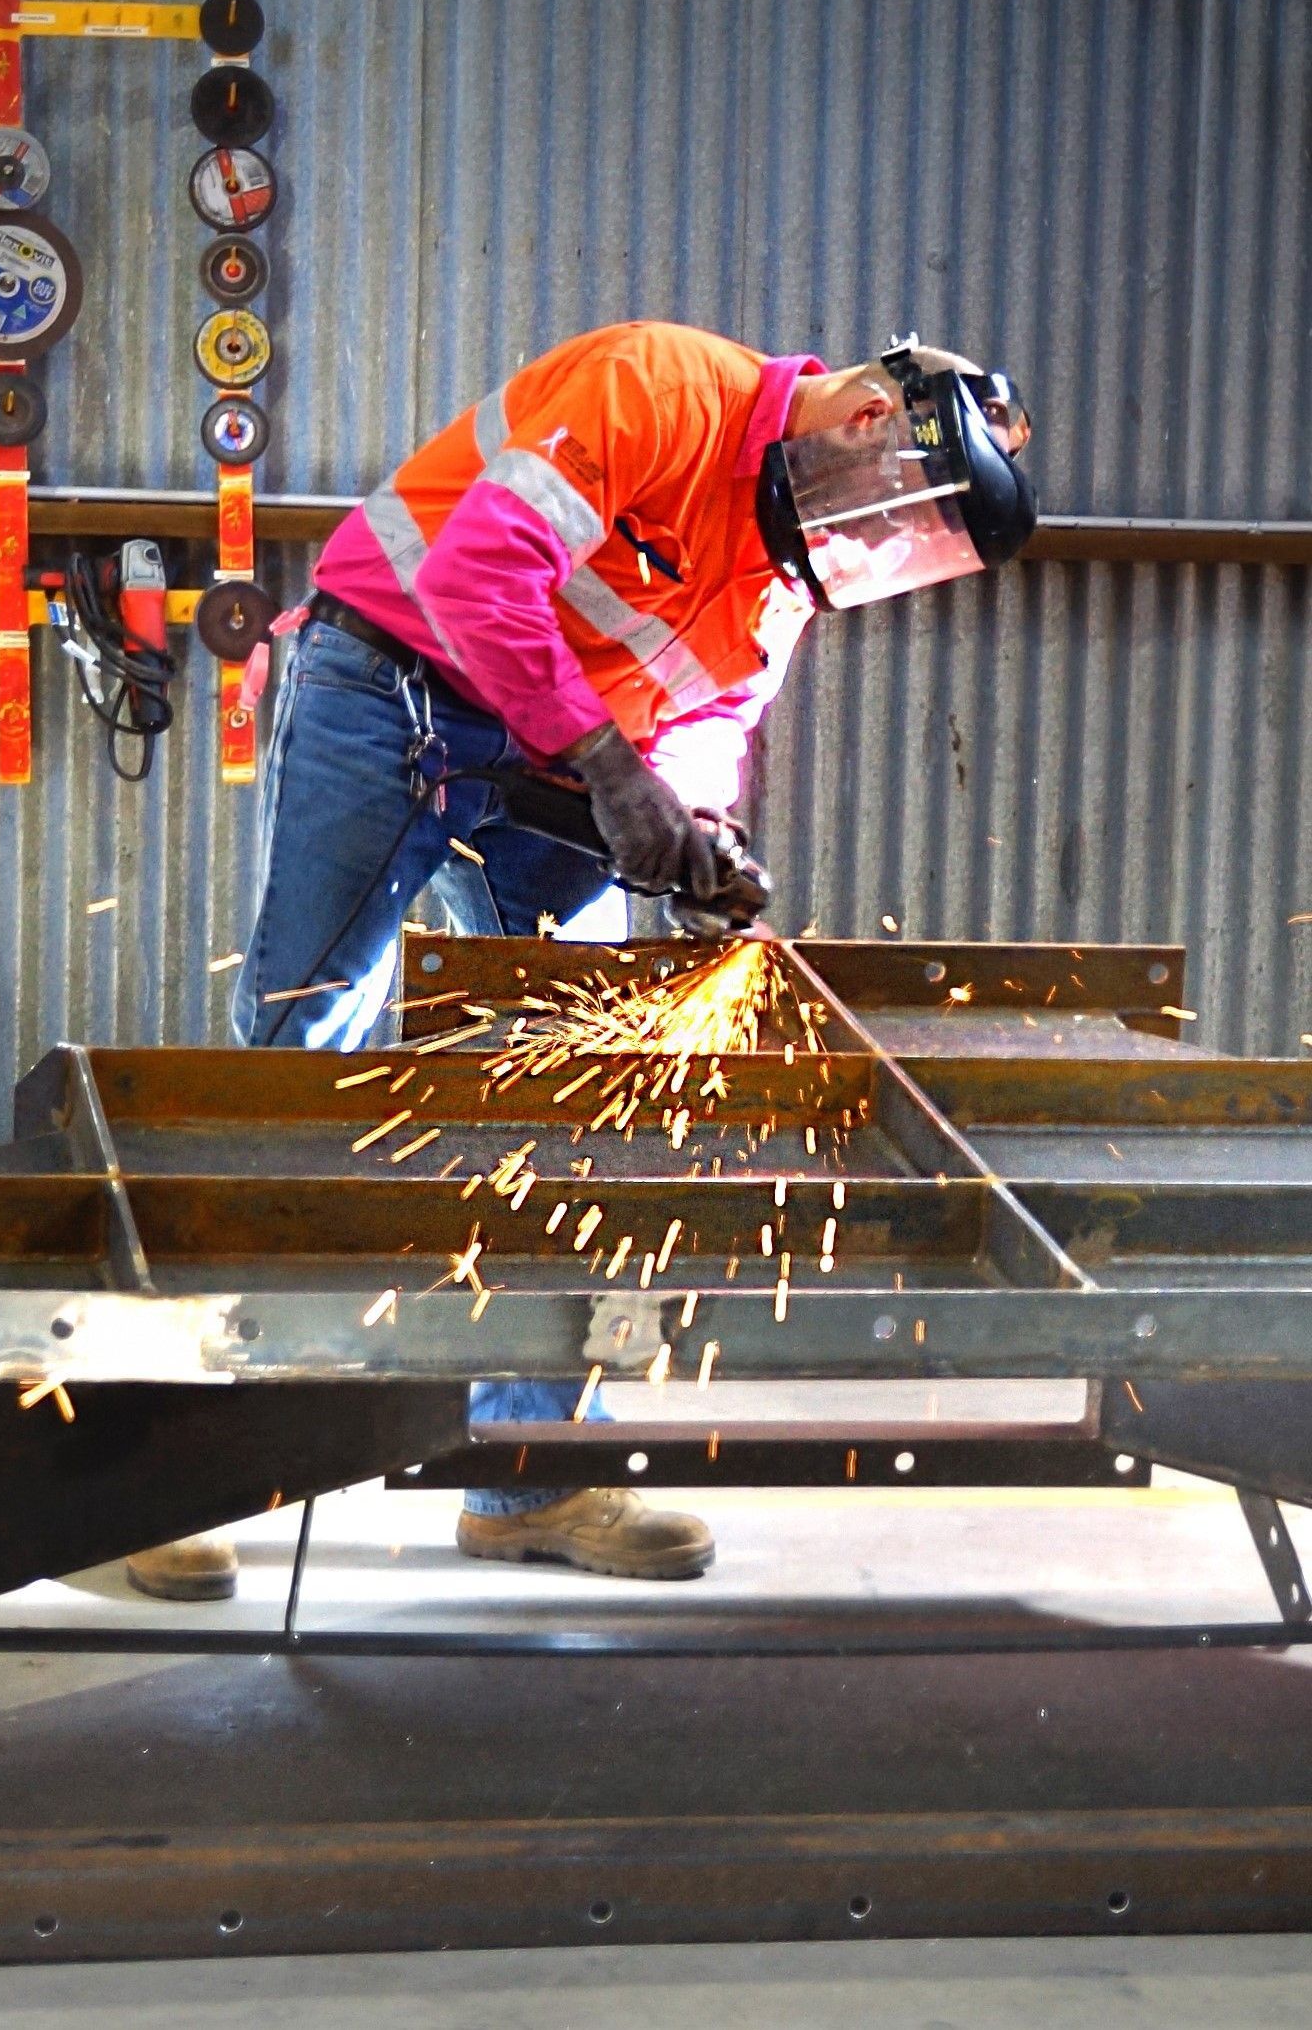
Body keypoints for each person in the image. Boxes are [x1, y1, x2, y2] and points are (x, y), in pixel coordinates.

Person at [126, 322, 1035, 1601]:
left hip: (552, 755)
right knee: (301, 1047)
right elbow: (477, 571)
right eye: (890, 518)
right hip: (384, 681)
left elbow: (712, 713)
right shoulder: (660, 388)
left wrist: (697, 827)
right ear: (869, 424)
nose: (873, 550)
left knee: (571, 1078)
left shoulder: (784, 570)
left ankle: (528, 1472)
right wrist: (611, 769)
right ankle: (185, 1464)